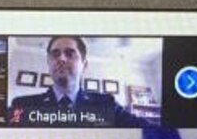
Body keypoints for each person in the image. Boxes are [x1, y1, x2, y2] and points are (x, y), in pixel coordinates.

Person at [7, 36, 142, 127]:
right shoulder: (22, 106)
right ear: (48, 63)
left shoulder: (106, 104)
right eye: (55, 54)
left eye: (70, 53)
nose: (61, 59)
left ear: (84, 65)